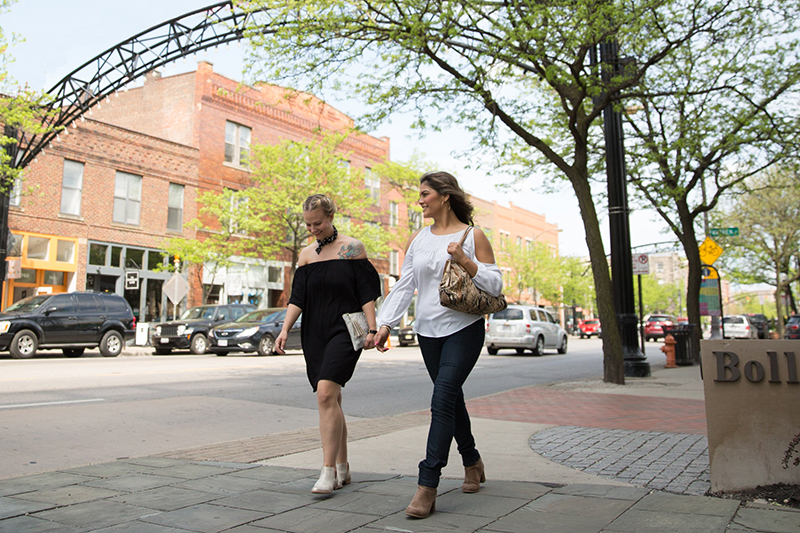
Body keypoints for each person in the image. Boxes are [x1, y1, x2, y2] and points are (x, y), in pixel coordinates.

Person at [373, 171, 503, 518]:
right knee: (451, 398)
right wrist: (386, 323)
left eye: (425, 194)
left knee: (442, 398)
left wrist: (465, 259)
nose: (420, 200)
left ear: (445, 196)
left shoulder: (473, 235)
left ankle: (427, 484)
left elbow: (495, 284)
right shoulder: (419, 239)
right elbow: (405, 285)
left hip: (464, 328)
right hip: (428, 332)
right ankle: (472, 461)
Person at [276, 194, 381, 494]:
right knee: (331, 399)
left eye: (318, 223)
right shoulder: (306, 255)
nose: (313, 229)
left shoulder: (352, 248)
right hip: (315, 333)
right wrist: (285, 329)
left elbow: (366, 292)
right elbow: (298, 298)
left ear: (331, 216)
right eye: (308, 224)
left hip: (345, 330)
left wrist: (372, 328)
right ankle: (344, 465)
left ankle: (328, 471)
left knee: (324, 395)